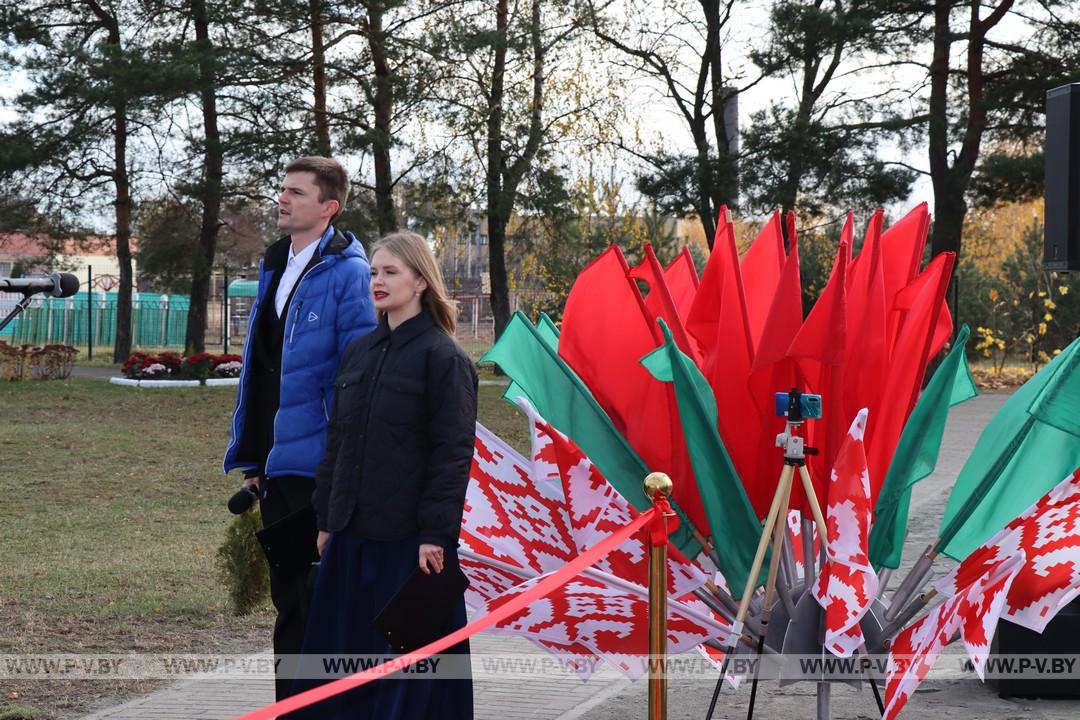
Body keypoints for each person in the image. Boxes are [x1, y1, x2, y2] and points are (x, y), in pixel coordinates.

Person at [298, 231, 478, 719]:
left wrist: (435, 536)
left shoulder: (445, 359)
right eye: (374, 272)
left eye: (390, 272)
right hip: (351, 537)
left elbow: (452, 454)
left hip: (409, 547)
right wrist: (326, 519)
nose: (377, 281)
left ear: (421, 280)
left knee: (408, 672)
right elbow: (338, 442)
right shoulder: (359, 352)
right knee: (341, 667)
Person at [223, 156, 377, 701]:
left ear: (329, 207)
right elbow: (265, 373)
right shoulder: (274, 264)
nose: (282, 199)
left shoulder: (352, 274)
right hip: (278, 467)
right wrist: (255, 462)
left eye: (296, 192)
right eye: (281, 190)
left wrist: (341, 469)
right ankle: (291, 707)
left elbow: (356, 379)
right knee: (289, 599)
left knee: (322, 599)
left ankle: (333, 706)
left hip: (322, 471)